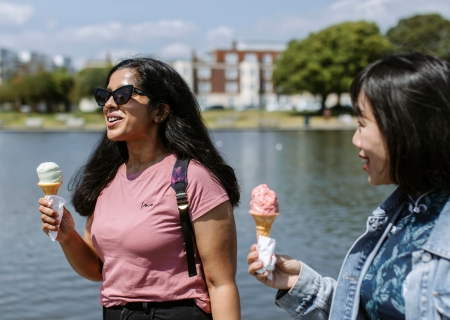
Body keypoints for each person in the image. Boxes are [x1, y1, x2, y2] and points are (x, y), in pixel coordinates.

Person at [247, 52, 450, 320]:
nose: (355, 140)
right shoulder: (399, 215)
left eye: (362, 124)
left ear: (405, 128)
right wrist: (301, 286)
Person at [38, 57, 241, 320]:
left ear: (160, 111)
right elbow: (97, 269)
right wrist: (67, 236)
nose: (110, 103)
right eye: (105, 96)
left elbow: (221, 284)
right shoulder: (105, 179)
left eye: (123, 95)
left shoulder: (194, 178)